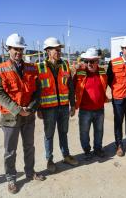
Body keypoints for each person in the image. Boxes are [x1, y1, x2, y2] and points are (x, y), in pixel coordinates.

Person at [0, 33, 45, 194]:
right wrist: (18, 110)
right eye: (16, 49)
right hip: (10, 117)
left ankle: (30, 172)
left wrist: (30, 108)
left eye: (21, 49)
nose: (19, 52)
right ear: (9, 49)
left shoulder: (31, 67)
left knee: (29, 146)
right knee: (10, 151)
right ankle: (11, 178)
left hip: (28, 115)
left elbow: (38, 91)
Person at [37, 37, 78, 173]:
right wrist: (38, 108)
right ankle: (49, 160)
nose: (59, 51)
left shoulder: (65, 65)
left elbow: (70, 87)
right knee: (49, 135)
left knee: (63, 132)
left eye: (60, 49)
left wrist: (73, 104)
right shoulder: (40, 67)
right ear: (48, 51)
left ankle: (66, 156)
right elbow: (37, 90)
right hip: (48, 108)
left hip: (63, 107)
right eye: (56, 49)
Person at [73, 48, 108, 160]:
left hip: (99, 109)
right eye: (87, 61)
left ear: (97, 61)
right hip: (85, 110)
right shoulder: (80, 73)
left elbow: (106, 85)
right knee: (84, 132)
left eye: (92, 61)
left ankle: (98, 149)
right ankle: (87, 151)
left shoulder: (102, 71)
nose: (89, 64)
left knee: (99, 131)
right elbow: (70, 86)